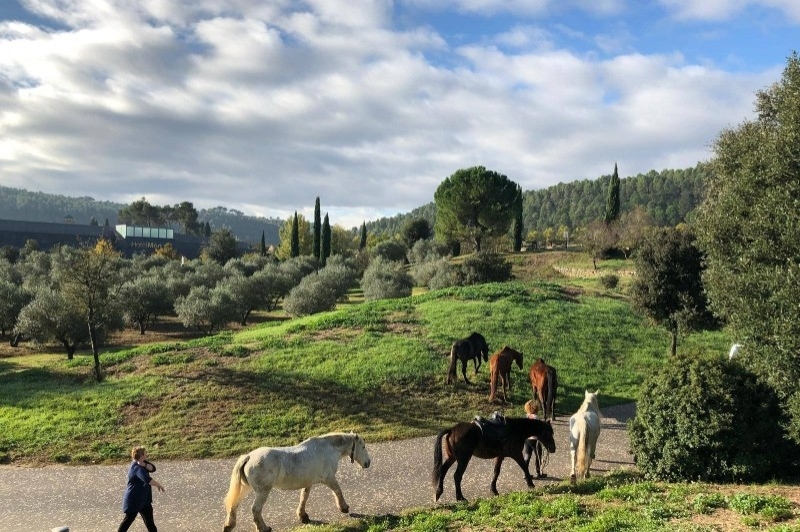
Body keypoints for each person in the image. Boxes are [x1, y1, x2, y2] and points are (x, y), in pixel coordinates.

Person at [118, 446, 164, 532]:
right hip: (134, 500)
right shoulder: (136, 468)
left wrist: (145, 464)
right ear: (142, 455)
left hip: (144, 500)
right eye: (145, 453)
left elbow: (153, 468)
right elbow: (147, 480)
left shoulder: (142, 463)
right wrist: (159, 485)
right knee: (128, 521)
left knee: (150, 524)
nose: (147, 454)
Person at [523, 399, 546, 477]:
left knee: (527, 456)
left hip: (527, 440)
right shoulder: (536, 417)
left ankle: (525, 473)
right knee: (538, 456)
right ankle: (538, 473)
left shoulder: (525, 417)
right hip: (535, 440)